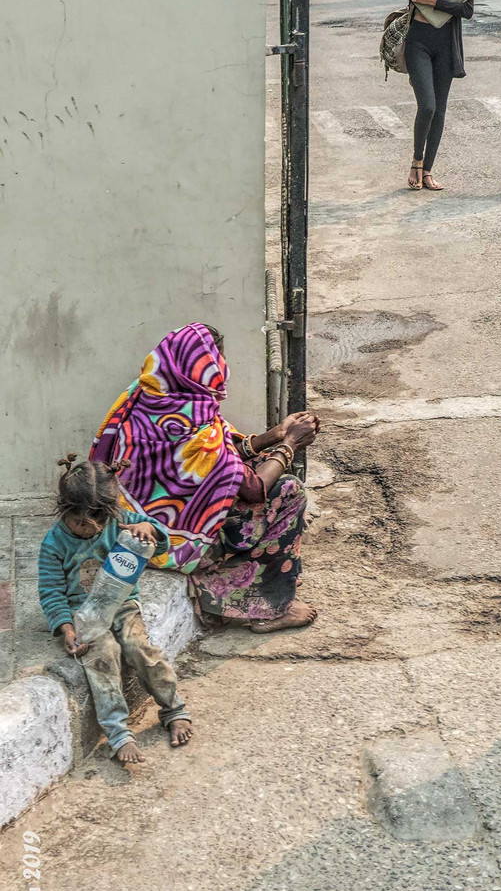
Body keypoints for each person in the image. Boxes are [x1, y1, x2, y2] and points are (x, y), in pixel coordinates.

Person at [90, 323, 320, 632]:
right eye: (217, 361)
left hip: (141, 523)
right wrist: (289, 443)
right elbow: (253, 489)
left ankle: (274, 572)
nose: (222, 369)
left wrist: (275, 435)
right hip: (171, 541)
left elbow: (217, 460)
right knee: (289, 490)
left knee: (265, 462)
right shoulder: (194, 419)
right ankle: (264, 607)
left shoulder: (148, 395)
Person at [38, 456, 192, 765]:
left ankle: (174, 708)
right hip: (83, 613)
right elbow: (51, 592)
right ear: (64, 510)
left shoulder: (120, 520)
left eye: (98, 521)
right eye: (80, 522)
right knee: (102, 656)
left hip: (123, 605)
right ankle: (119, 733)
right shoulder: (54, 544)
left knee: (139, 648)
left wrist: (150, 529)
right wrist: (66, 628)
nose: (90, 528)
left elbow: (160, 542)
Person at [397, 0, 475, 192]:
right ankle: (416, 161)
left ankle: (428, 170)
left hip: (445, 45)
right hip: (418, 41)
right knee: (427, 105)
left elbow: (467, 10)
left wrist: (434, 1)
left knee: (439, 110)